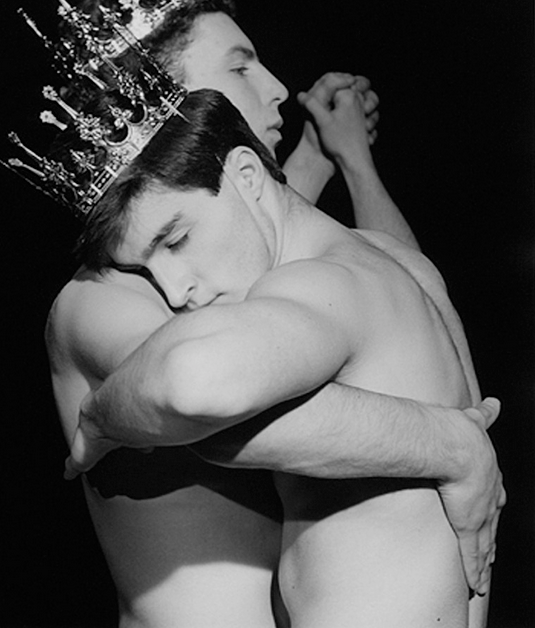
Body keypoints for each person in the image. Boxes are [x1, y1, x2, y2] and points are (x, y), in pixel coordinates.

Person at [46, 0, 433, 627]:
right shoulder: (100, 299)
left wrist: (344, 159)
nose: (278, 87)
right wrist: (452, 446)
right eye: (241, 65)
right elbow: (205, 407)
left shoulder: (225, 276)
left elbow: (414, 300)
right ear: (171, 110)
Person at [62, 88, 504, 627]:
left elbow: (193, 385)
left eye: (176, 241)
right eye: (148, 271)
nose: (176, 291)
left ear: (247, 176)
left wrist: (102, 416)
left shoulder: (317, 282)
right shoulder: (395, 263)